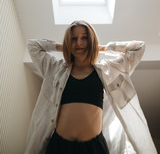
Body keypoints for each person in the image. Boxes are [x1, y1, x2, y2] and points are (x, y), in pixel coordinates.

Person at [24, 20, 157, 154]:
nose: (79, 42)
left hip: (94, 148)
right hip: (60, 146)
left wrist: (102, 48)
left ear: (91, 40)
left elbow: (139, 48)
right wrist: (64, 46)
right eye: (73, 39)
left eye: (84, 38)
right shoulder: (55, 69)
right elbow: (33, 46)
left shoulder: (107, 70)